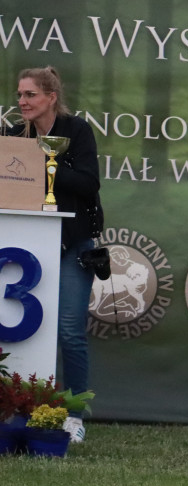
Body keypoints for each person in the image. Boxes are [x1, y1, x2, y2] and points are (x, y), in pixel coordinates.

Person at [11, 66, 101, 443]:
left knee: (69, 331)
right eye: (19, 95)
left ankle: (74, 416)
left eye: (30, 94)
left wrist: (46, 161)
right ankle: (16, 409)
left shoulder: (76, 131)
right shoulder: (14, 136)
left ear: (50, 97)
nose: (22, 102)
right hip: (26, 246)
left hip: (71, 244)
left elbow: (88, 183)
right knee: (19, 331)